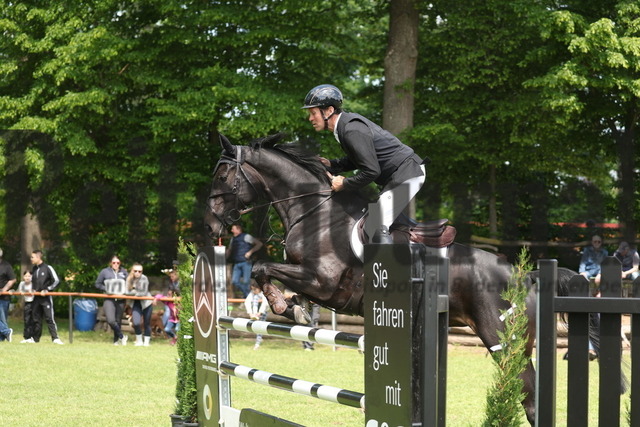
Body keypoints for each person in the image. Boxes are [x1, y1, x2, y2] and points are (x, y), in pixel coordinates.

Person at [302, 84, 427, 242]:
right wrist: (331, 164)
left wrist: (344, 184)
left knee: (374, 226)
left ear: (329, 111)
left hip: (407, 173)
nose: (310, 118)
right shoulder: (344, 128)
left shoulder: (351, 130)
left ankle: (397, 267)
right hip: (402, 174)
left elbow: (371, 171)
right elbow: (359, 160)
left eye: (313, 113)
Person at [30, 250, 64, 344]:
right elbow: (34, 283)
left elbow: (56, 281)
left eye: (32, 257)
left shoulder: (48, 268)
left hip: (46, 298)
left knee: (49, 318)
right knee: (36, 318)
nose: (31, 259)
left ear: (38, 257)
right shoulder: (34, 269)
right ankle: (35, 339)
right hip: (36, 298)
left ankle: (55, 338)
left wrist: (47, 290)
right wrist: (33, 290)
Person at [95, 255, 129, 345]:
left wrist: (126, 291)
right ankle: (122, 336)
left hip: (121, 299)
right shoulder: (105, 272)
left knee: (118, 321)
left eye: (118, 262)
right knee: (111, 320)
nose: (116, 264)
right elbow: (97, 284)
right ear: (110, 263)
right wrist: (106, 288)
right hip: (109, 299)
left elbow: (129, 284)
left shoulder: (124, 272)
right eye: (114, 262)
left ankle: (116, 341)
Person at [227, 223, 263, 298]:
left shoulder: (246, 237)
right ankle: (249, 296)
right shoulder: (232, 239)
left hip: (246, 262)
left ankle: (247, 298)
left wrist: (250, 252)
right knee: (235, 281)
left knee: (246, 282)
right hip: (236, 263)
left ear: (238, 229)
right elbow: (229, 250)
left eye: (233, 229)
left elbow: (259, 244)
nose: (231, 230)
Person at [126, 263, 152, 346]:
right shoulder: (129, 279)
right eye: (135, 271)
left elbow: (143, 292)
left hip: (146, 303)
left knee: (146, 323)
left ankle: (146, 342)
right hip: (135, 303)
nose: (138, 273)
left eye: (140, 271)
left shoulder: (144, 278)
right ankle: (139, 340)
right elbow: (126, 292)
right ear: (132, 271)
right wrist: (136, 293)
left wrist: (133, 292)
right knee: (136, 323)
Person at [245, 283, 269, 350]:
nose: (253, 291)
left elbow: (265, 304)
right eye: (252, 289)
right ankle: (259, 340)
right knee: (258, 328)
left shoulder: (263, 294)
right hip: (255, 314)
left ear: (259, 288)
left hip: (262, 312)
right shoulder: (252, 294)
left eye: (255, 289)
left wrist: (259, 313)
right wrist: (250, 313)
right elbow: (247, 302)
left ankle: (257, 343)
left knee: (260, 327)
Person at [0, 247, 16, 343]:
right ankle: (6, 332)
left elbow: (12, 279)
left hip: (3, 297)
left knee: (3, 319)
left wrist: (4, 290)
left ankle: (4, 334)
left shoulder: (6, 266)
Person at [18, 271, 35, 343]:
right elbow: (19, 291)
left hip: (34, 302)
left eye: (29, 276)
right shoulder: (22, 283)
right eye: (26, 276)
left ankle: (33, 337)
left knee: (34, 320)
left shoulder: (34, 283)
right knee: (26, 319)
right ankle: (26, 337)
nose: (27, 278)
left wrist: (32, 292)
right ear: (23, 277)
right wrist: (22, 292)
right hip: (27, 302)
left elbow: (36, 290)